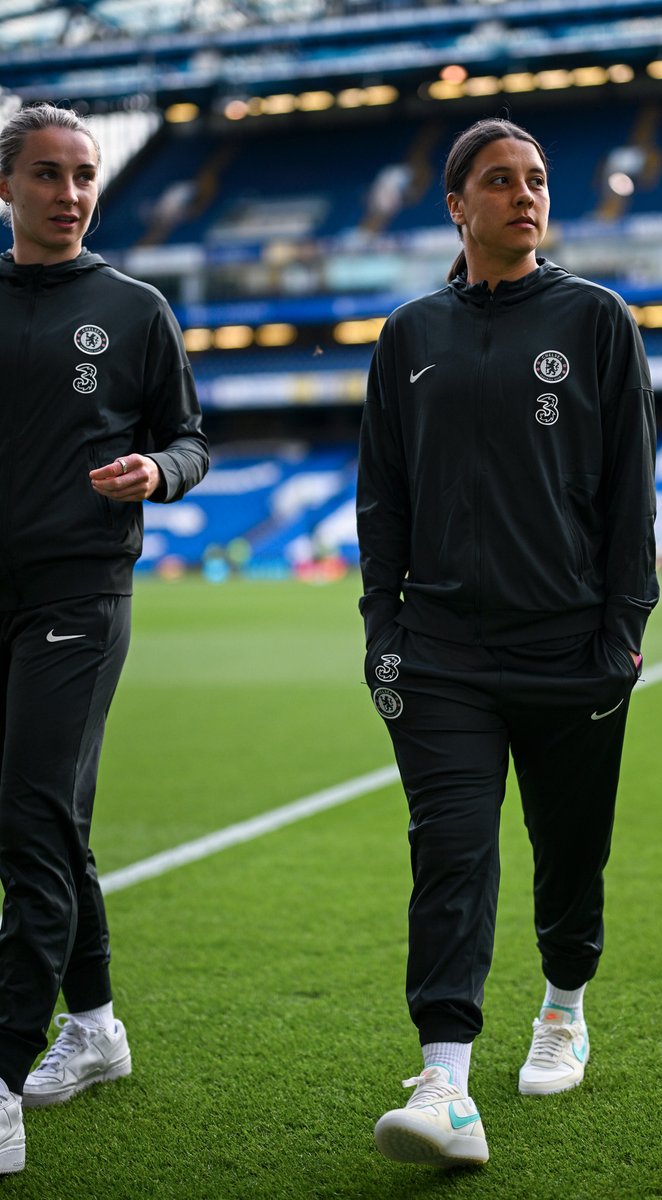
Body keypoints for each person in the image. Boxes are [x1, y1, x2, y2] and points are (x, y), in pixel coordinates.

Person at [356, 117, 658, 1169]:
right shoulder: (410, 337)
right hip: (439, 654)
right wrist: (381, 631)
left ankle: (565, 1003)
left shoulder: (596, 319)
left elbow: (633, 496)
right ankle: (445, 1082)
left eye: (535, 180)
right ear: (457, 205)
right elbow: (381, 501)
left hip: (573, 648)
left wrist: (622, 633)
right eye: (499, 181)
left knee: (569, 859)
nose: (525, 196)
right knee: (452, 850)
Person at [0, 103, 208, 1175]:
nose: (71, 192)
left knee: (30, 817)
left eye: (84, 174)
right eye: (47, 174)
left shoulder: (135, 310)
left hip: (82, 590)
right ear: (8, 188)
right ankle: (97, 1027)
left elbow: (190, 438)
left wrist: (157, 472)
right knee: (45, 825)